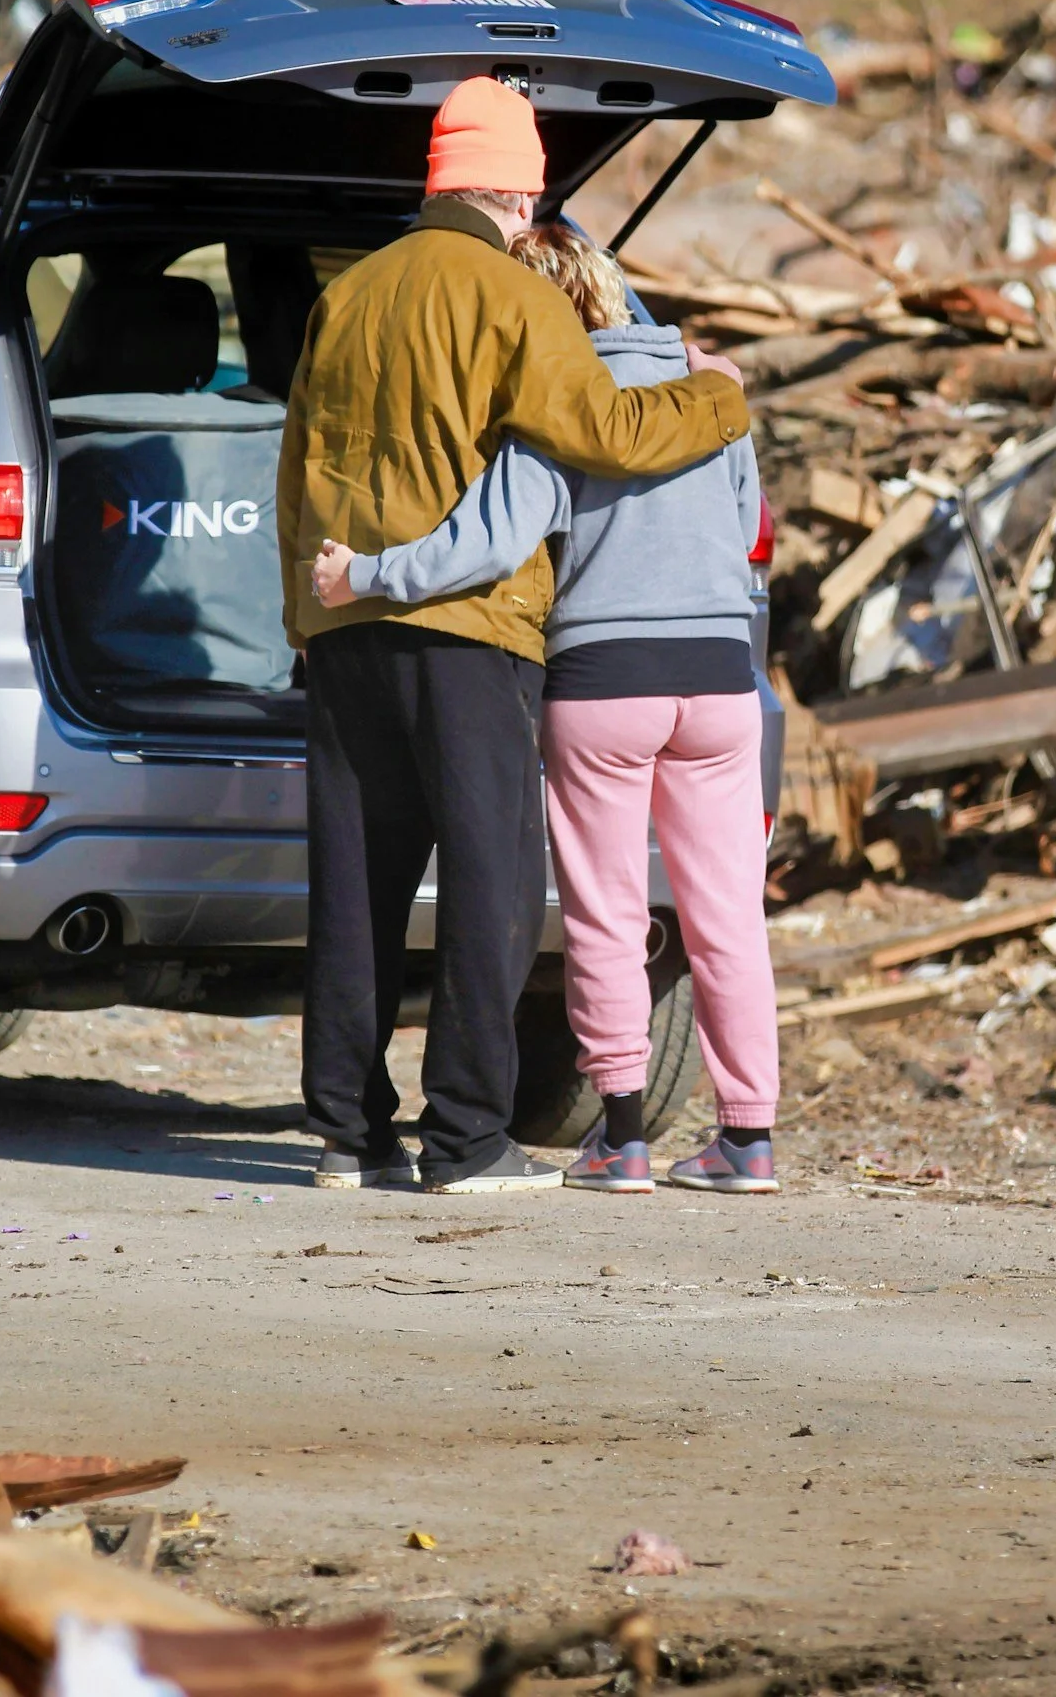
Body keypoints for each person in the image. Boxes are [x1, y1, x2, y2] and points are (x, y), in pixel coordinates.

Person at [277, 77, 750, 1196]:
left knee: (354, 885)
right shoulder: (513, 296)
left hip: (346, 627)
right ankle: (465, 1140)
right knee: (489, 885)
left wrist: (308, 615)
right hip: (469, 629)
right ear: (519, 187)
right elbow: (604, 431)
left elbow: (296, 462)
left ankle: (348, 1134)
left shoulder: (346, 295)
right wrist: (719, 402)